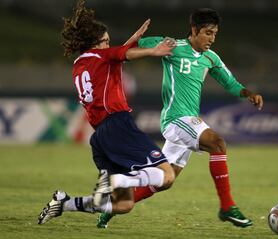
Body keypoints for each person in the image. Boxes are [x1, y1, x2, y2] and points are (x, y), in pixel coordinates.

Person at [98, 8, 264, 228]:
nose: (212, 38)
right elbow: (131, 50)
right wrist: (129, 46)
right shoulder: (173, 46)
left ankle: (114, 206)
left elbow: (230, 83)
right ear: (194, 30)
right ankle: (227, 207)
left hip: (187, 123)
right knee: (218, 144)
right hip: (175, 119)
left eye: (215, 33)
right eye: (207, 32)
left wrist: (249, 94)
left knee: (165, 181)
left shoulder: (210, 58)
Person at [37, 0, 176, 225]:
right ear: (96, 43)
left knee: (123, 205)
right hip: (118, 126)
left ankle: (64, 203)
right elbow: (122, 55)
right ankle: (122, 179)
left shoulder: (80, 65)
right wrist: (154, 50)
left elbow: (116, 55)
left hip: (100, 138)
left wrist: (131, 40)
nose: (109, 45)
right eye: (106, 41)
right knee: (167, 176)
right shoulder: (102, 57)